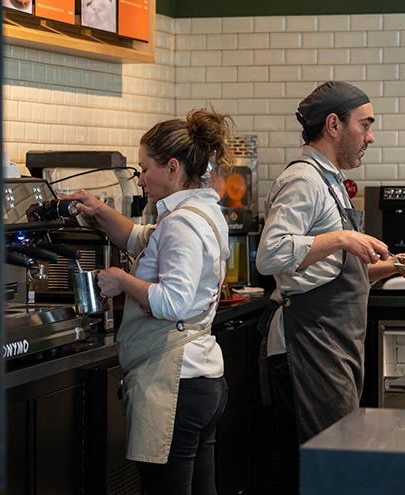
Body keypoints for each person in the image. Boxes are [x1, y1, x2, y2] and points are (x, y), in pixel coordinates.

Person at [254, 81, 405, 494]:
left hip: (330, 341)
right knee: (325, 460)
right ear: (333, 125)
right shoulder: (303, 180)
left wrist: (392, 268)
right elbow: (271, 255)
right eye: (365, 125)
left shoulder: (329, 179)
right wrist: (341, 239)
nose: (370, 136)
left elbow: (333, 274)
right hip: (307, 342)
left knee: (305, 459)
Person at [64, 109, 234, 495]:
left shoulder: (182, 224)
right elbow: (143, 238)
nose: (140, 179)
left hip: (175, 385)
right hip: (201, 380)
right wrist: (100, 210)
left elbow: (173, 302)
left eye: (144, 168)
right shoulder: (200, 210)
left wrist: (120, 280)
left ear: (172, 167)